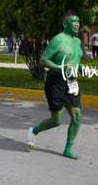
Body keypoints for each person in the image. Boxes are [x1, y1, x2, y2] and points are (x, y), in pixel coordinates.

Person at [27, 10, 83, 159]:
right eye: (73, 21)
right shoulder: (58, 40)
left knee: (77, 117)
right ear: (65, 24)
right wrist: (60, 68)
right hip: (55, 81)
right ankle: (35, 130)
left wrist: (82, 69)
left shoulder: (77, 41)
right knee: (57, 120)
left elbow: (75, 62)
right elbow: (44, 60)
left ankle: (68, 149)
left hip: (71, 81)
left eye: (78, 21)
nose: (77, 24)